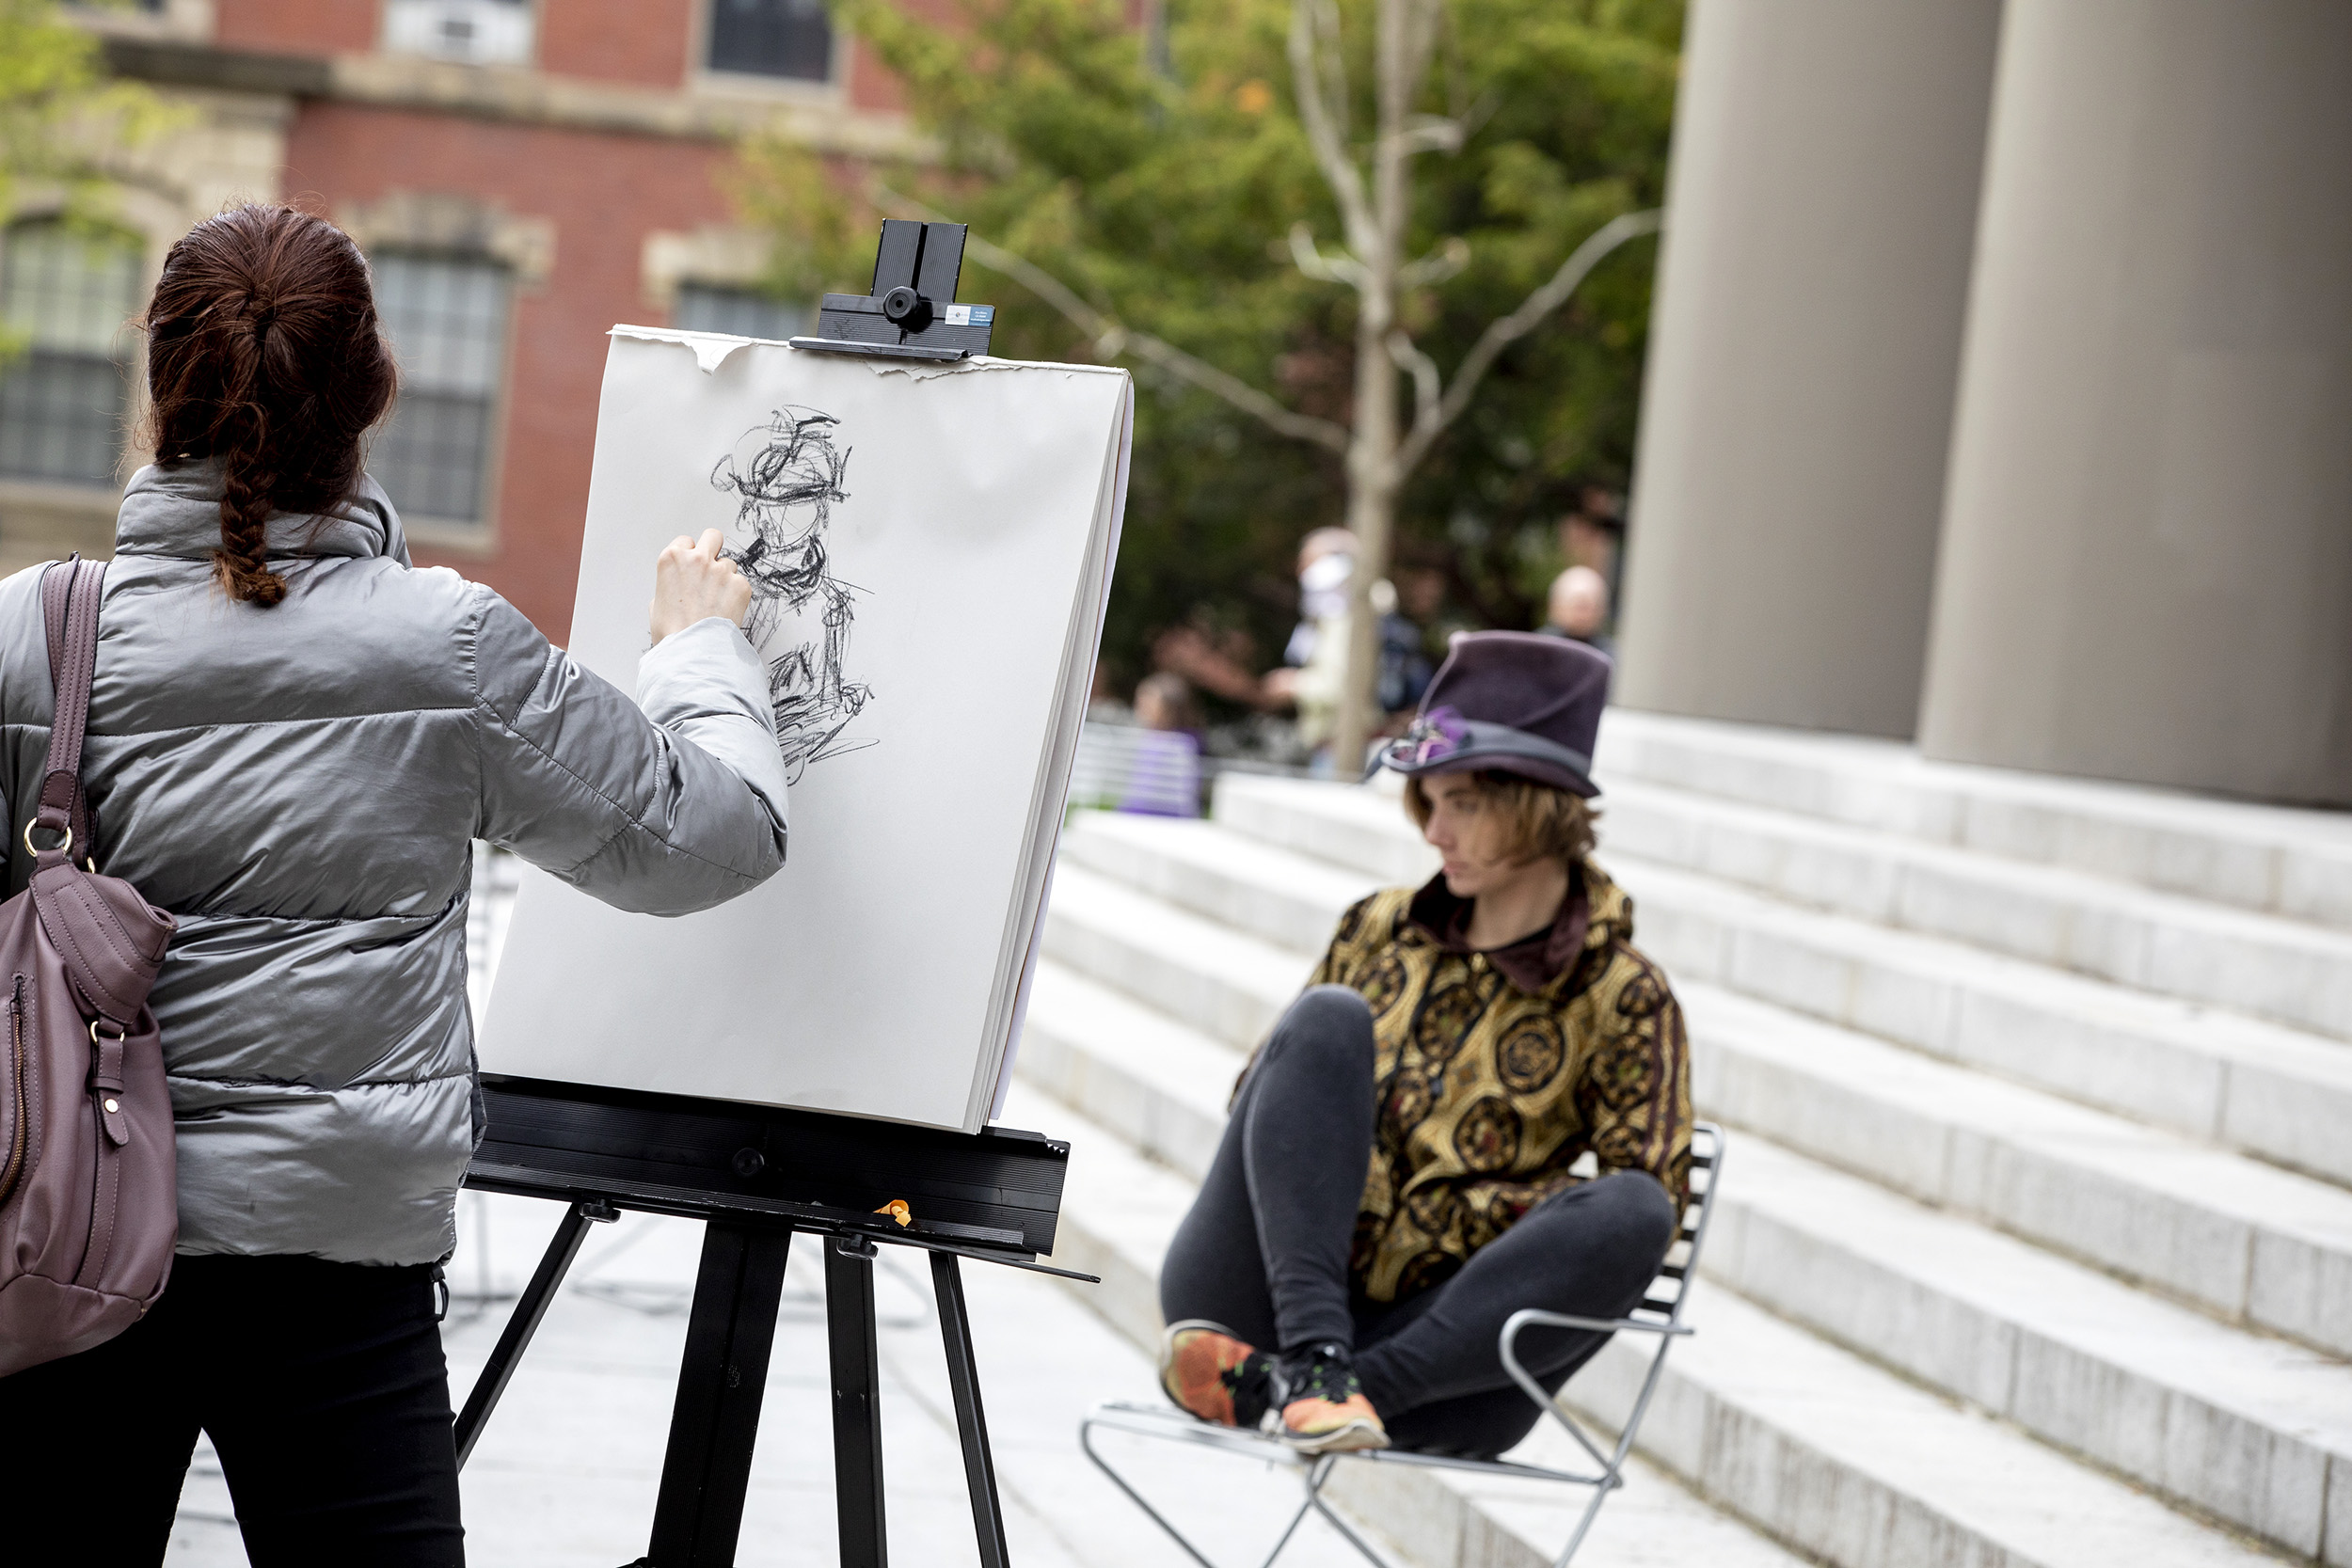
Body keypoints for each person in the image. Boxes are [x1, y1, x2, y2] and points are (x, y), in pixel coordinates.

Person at [0, 205, 790, 1565]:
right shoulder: (448, 645)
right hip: (338, 1264)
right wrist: (700, 651)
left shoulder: (32, 629)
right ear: (373, 390)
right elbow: (709, 838)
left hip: (55, 1235)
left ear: (160, 383)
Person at [1155, 632, 1690, 1457]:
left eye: (1464, 804)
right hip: (1254, 1303)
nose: (1435, 831)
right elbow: (1261, 1108)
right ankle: (1318, 1366)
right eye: (1428, 802)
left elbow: (1629, 1229)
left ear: (1540, 805)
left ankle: (1320, 1389)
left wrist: (1485, 1213)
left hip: (1447, 1368)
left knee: (1637, 1206)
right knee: (1327, 1019)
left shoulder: (1624, 995)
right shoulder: (1377, 928)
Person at [1539, 563, 1615, 658]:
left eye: (1588, 607)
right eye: (1578, 606)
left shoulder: (1606, 655)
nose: (1583, 615)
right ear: (1555, 607)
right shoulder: (1539, 647)